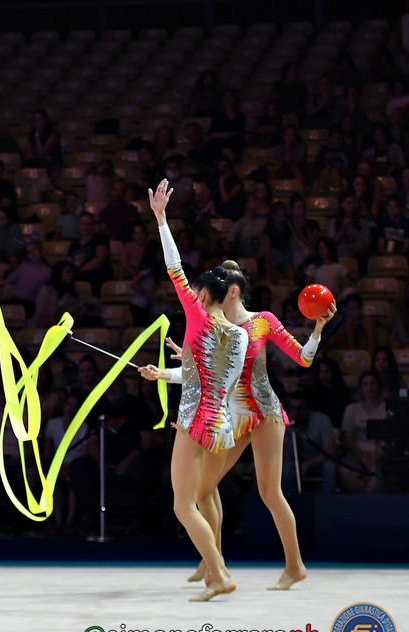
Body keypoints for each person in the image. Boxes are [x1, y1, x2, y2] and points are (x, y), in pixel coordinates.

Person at [173, 260, 334, 591]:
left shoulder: (263, 321)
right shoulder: (215, 327)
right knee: (203, 489)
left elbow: (304, 358)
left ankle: (295, 566)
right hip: (233, 418)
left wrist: (318, 329)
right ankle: (214, 563)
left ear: (232, 292)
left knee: (269, 492)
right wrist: (187, 355)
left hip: (264, 413)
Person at [138, 180, 246, 602]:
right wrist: (164, 374)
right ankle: (217, 569)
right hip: (222, 423)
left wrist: (161, 218)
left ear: (203, 295)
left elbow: (174, 267)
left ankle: (217, 575)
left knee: (183, 505)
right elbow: (210, 379)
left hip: (195, 421)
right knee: (205, 495)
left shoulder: (198, 316)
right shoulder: (238, 335)